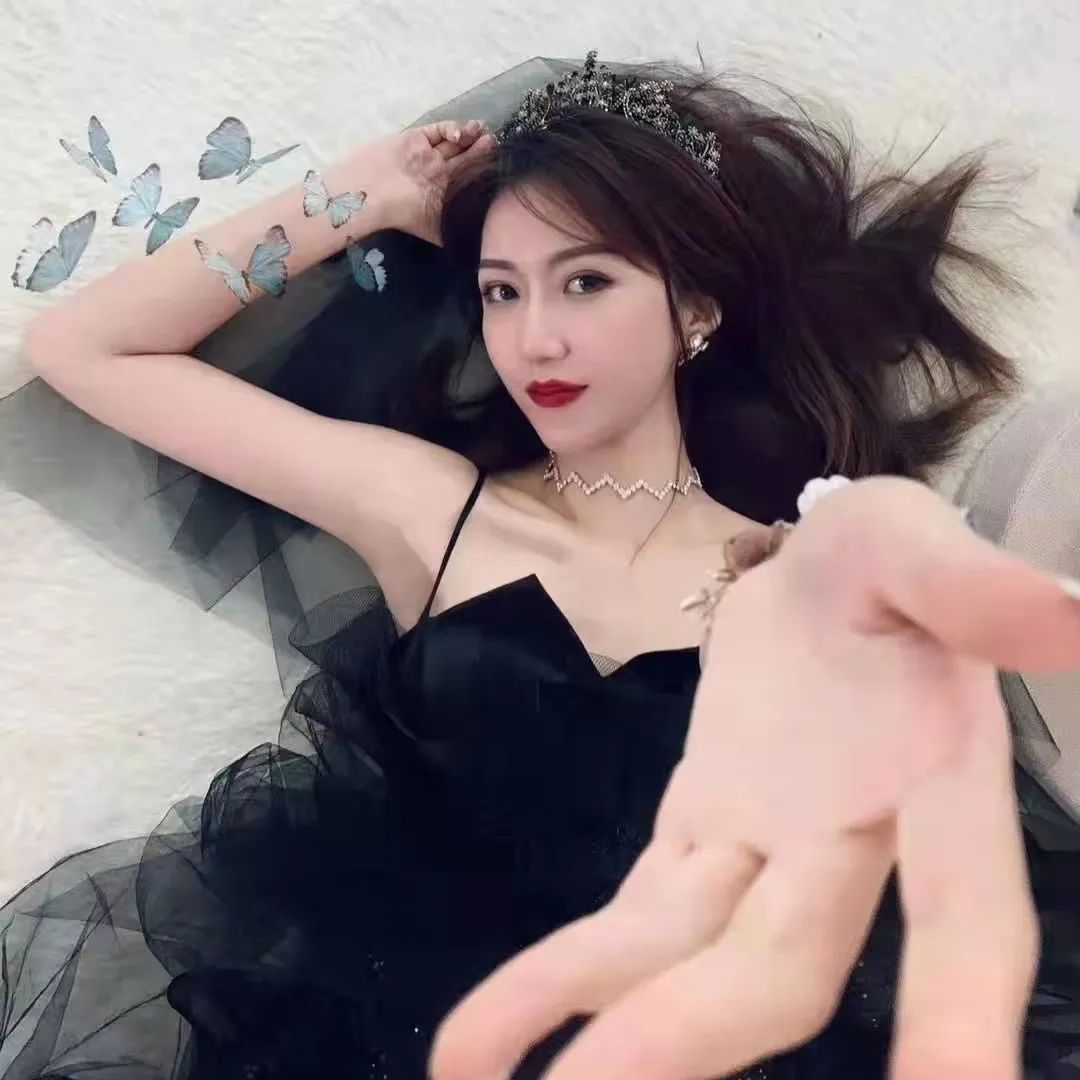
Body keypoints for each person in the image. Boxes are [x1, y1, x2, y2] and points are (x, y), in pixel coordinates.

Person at [2, 49, 1079, 1079]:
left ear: (696, 312)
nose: (536, 341)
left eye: (586, 283)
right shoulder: (433, 510)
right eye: (502, 292)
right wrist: (364, 194)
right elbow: (85, 350)